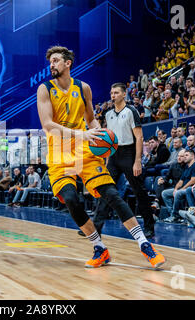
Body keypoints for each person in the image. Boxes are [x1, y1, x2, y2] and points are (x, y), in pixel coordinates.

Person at [37, 46, 165, 268]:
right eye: (51, 61)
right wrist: (83, 133)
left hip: (85, 151)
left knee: (112, 194)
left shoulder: (83, 88)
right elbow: (48, 125)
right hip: (59, 153)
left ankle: (145, 245)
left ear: (68, 63)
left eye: (56, 61)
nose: (52, 65)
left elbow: (91, 120)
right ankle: (100, 248)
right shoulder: (45, 89)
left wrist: (100, 139)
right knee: (71, 200)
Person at [162, 150, 195, 223]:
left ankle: (174, 215)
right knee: (165, 193)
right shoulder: (187, 167)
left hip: (192, 189)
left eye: (186, 155)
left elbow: (193, 181)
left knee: (178, 193)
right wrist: (175, 189)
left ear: (192, 156)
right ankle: (172, 213)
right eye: (184, 155)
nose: (184, 157)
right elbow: (181, 181)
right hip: (183, 188)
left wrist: (181, 189)